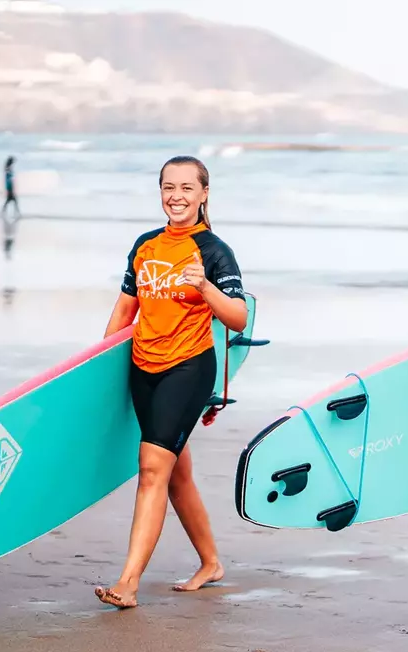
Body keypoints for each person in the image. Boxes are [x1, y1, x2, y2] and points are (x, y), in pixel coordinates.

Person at [95, 155, 248, 609]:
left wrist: (205, 287)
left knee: (151, 470)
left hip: (187, 368)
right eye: (168, 187)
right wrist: (99, 376)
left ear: (204, 194)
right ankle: (211, 562)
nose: (176, 196)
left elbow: (238, 318)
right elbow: (125, 313)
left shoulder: (214, 250)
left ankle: (128, 583)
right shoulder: (145, 245)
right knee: (176, 475)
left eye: (186, 188)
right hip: (144, 368)